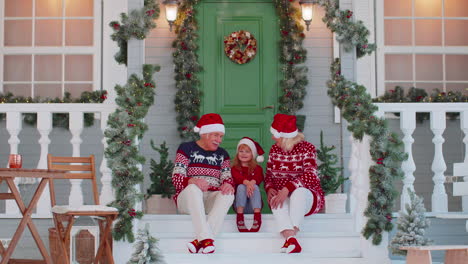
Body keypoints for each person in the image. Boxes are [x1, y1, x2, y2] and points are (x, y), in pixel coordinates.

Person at [171, 113, 235, 254]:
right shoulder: (186, 148)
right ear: (205, 134)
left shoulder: (222, 154)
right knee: (193, 188)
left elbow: (227, 177)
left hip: (210, 198)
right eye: (216, 135)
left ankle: (200, 241)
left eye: (221, 136)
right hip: (187, 199)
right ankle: (206, 238)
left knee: (229, 194)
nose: (219, 140)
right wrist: (192, 180)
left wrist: (228, 184)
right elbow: (176, 178)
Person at [265, 113, 324, 254]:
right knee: (274, 199)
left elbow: (311, 175)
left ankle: (292, 236)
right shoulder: (274, 150)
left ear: (284, 136)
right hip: (283, 197)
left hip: (307, 198)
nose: (273, 137)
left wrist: (287, 188)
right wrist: (270, 188)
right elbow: (269, 176)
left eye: (275, 134)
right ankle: (291, 240)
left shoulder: (307, 148)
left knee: (298, 192)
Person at [231, 137, 265, 232]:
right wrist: (247, 183)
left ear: (252, 154)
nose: (244, 153)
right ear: (237, 153)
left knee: (255, 186)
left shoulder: (257, 168)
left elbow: (259, 177)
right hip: (240, 206)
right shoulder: (234, 168)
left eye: (247, 151)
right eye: (241, 151)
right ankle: (240, 218)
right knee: (241, 187)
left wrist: (252, 183)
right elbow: (237, 177)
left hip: (253, 206)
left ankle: (257, 217)